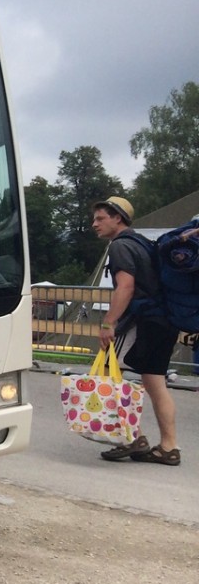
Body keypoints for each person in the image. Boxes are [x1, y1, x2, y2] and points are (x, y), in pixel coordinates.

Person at [92, 196, 180, 466]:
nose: (94, 224)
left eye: (100, 218)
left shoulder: (120, 246)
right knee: (155, 383)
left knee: (112, 374)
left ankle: (133, 439)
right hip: (164, 320)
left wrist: (109, 323)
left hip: (143, 323)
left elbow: (125, 287)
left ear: (117, 218)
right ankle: (167, 446)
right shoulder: (143, 243)